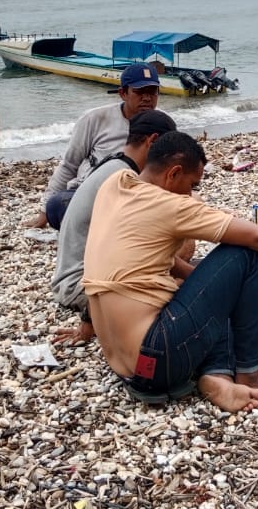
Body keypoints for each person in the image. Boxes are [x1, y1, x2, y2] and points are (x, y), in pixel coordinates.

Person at [82, 131, 258, 412]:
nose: (192, 194)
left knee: (205, 278)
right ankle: (251, 371)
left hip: (129, 370)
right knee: (242, 253)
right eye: (192, 184)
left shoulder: (115, 185)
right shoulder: (170, 204)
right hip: (161, 360)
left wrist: (201, 281)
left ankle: (216, 375)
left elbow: (155, 259)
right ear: (173, 174)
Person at [50, 109, 179, 344]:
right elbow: (129, 252)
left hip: (72, 275)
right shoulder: (125, 179)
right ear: (154, 142)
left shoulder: (114, 164)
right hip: (79, 284)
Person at [22, 63, 161, 230]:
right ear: (123, 93)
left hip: (138, 197)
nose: (147, 98)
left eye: (152, 92)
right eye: (139, 92)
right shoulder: (95, 119)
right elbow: (69, 165)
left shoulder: (162, 123)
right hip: (91, 195)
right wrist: (43, 213)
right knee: (57, 205)